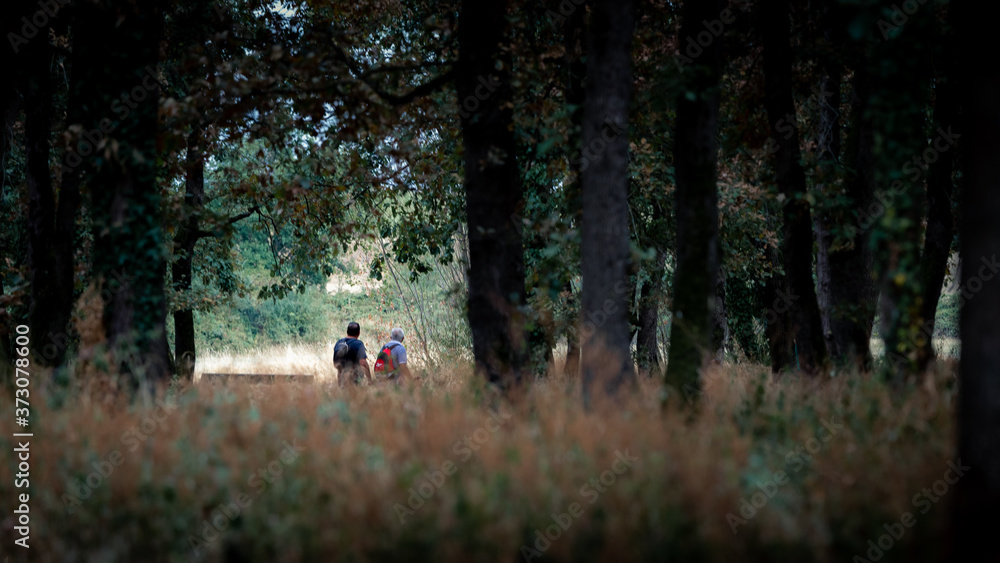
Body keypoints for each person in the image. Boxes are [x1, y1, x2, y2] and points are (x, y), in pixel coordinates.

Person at [333, 322, 371, 386]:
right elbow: (363, 362)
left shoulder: (339, 342)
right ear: (359, 333)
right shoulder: (358, 344)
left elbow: (337, 364)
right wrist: (369, 379)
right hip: (354, 379)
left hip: (341, 379)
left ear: (347, 331)